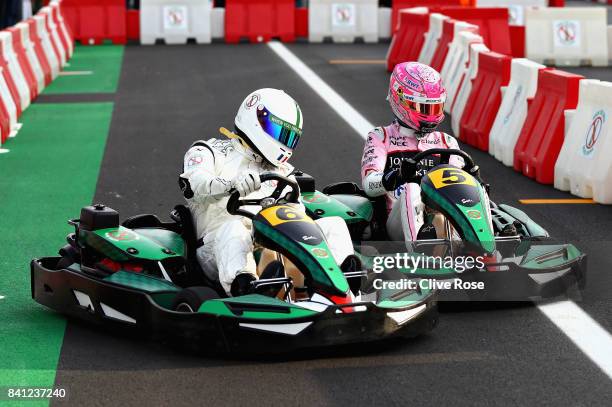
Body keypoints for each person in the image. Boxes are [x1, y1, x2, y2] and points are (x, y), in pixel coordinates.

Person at [180, 88, 356, 296]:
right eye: (280, 133)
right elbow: (194, 184)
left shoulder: (283, 171)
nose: (284, 143)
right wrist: (231, 184)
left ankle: (344, 287)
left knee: (333, 224)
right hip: (216, 247)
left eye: (290, 138)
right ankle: (246, 290)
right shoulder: (209, 151)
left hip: (268, 242)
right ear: (256, 119)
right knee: (235, 229)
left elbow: (297, 218)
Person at [360, 62, 466, 242]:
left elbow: (460, 191)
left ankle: (483, 246)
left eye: (435, 108)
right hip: (397, 222)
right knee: (412, 188)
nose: (430, 115)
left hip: (442, 217)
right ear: (401, 100)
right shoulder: (381, 136)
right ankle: (419, 249)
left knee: (472, 189)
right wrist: (397, 176)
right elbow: (369, 185)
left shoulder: (446, 142)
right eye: (424, 108)